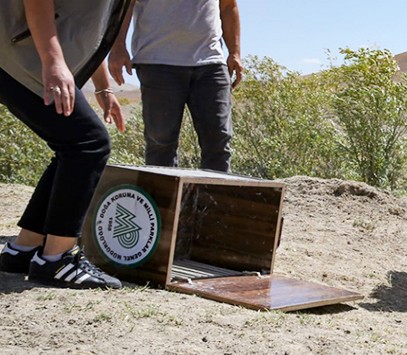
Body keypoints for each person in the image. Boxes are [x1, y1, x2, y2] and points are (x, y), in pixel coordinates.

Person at [0, 0, 130, 289]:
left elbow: (90, 28)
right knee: (89, 143)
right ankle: (56, 259)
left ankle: (23, 250)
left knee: (73, 145)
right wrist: (53, 61)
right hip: (23, 54)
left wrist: (103, 87)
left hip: (24, 53)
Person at [109, 0, 242, 172]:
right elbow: (125, 4)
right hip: (157, 61)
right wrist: (118, 45)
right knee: (161, 143)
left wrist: (235, 52)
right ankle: (163, 198)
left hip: (211, 62)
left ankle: (215, 198)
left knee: (218, 141)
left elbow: (228, 6)